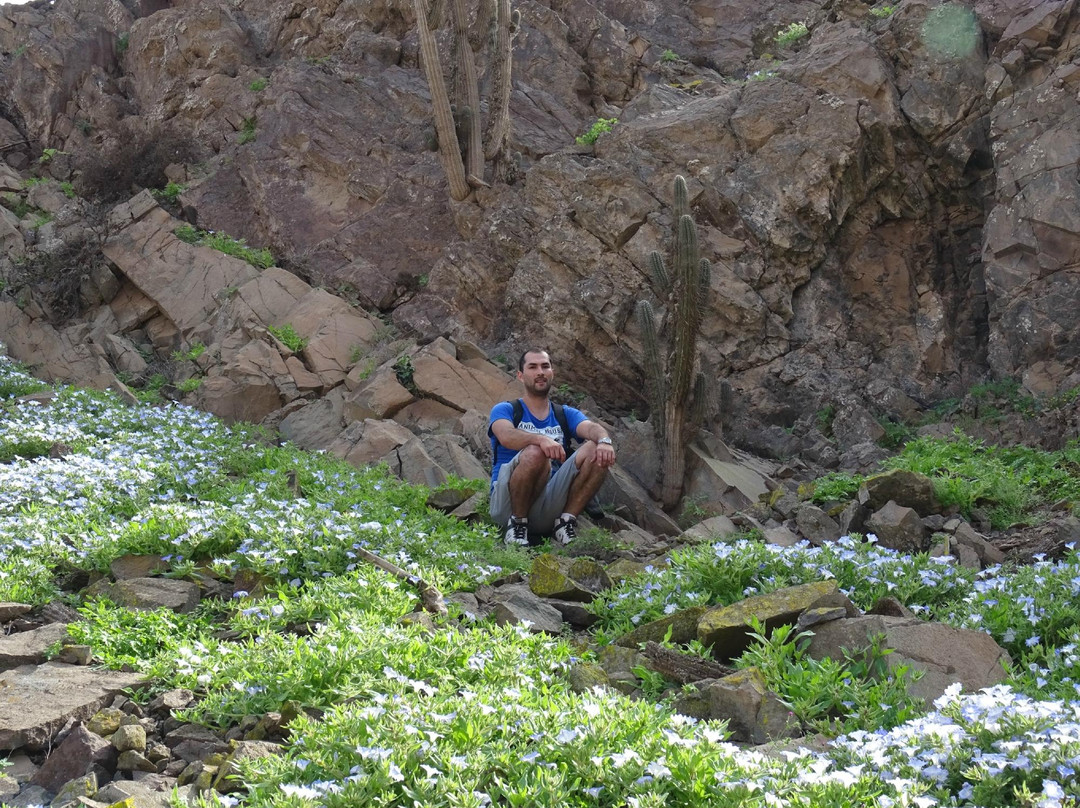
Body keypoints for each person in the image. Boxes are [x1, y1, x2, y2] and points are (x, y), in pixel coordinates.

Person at [488, 349, 616, 546]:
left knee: (594, 447)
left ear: (552, 373)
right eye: (532, 367)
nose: (540, 371)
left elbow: (592, 428)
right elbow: (506, 436)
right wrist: (540, 439)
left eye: (545, 366)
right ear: (520, 376)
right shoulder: (506, 410)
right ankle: (517, 526)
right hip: (506, 505)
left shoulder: (563, 414)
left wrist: (604, 441)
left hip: (547, 505)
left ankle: (564, 523)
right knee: (535, 451)